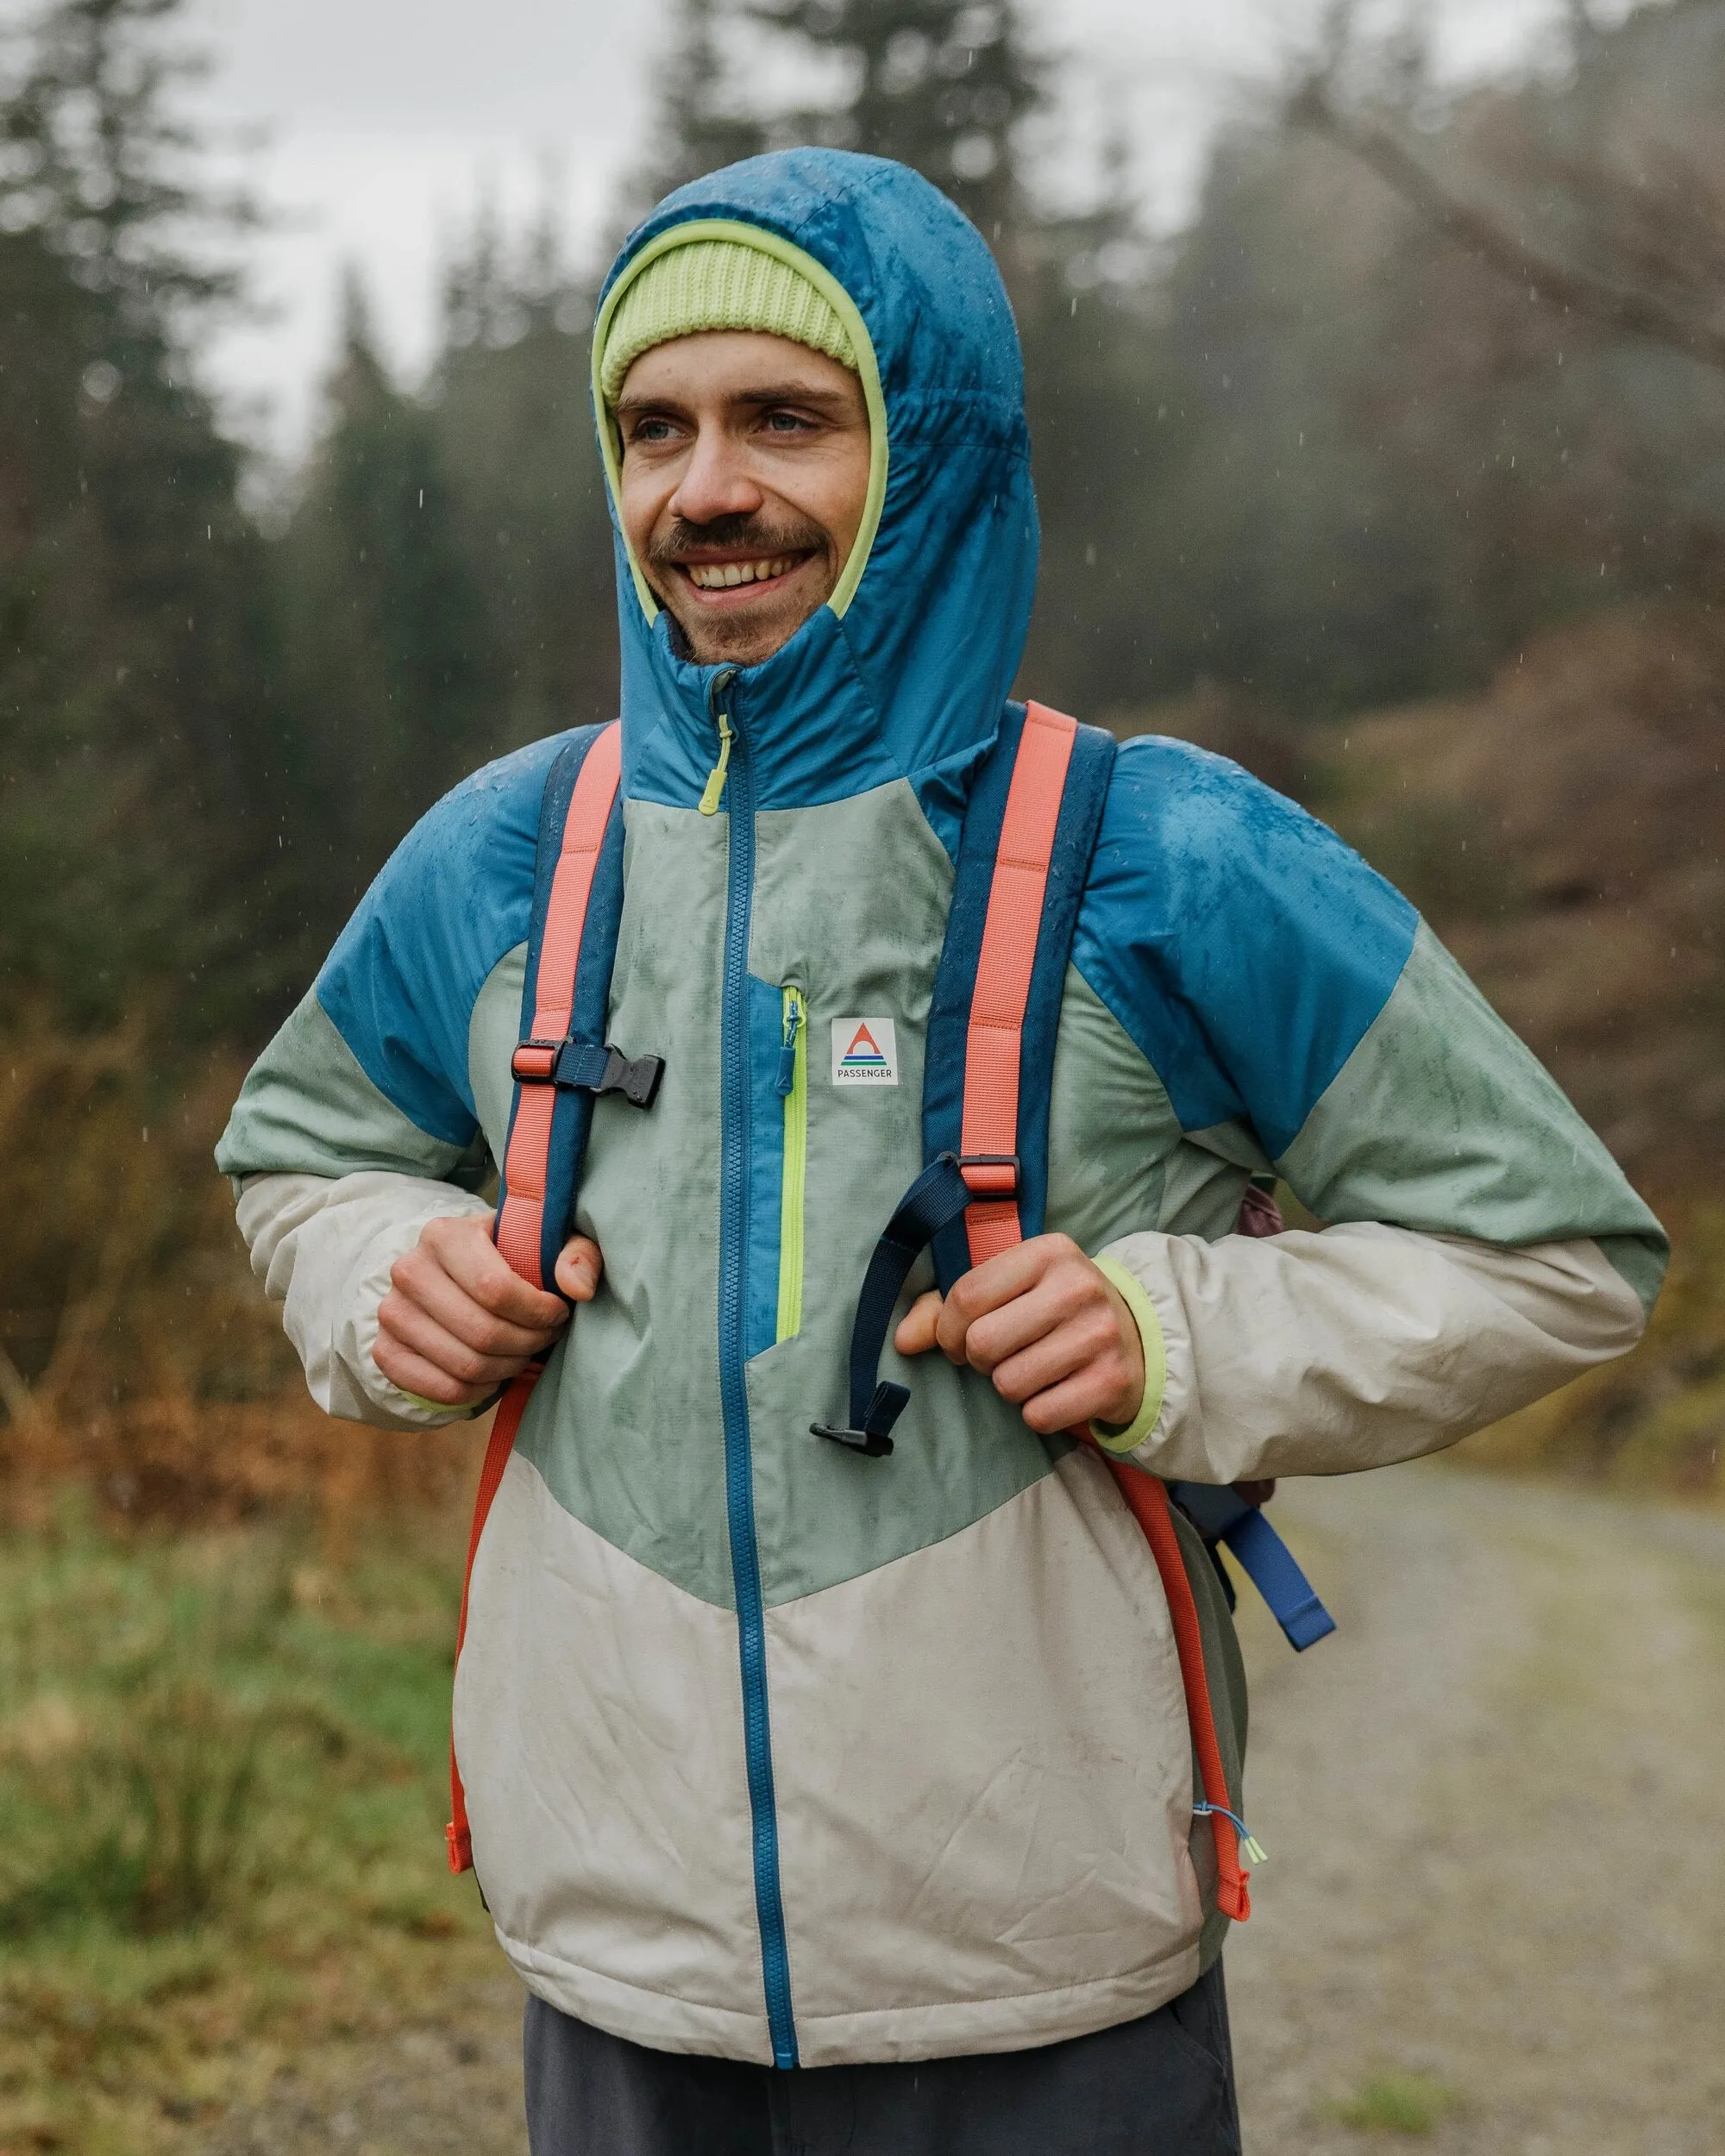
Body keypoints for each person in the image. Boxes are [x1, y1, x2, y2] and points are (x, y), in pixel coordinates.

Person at [216, 149, 1665, 2155]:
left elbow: (1558, 1249)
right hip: (616, 1962)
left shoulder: (1169, 853)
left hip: (1050, 1975)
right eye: (653, 428)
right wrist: (390, 1269)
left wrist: (1179, 1328)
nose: (704, 487)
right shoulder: (501, 853)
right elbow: (302, 1151)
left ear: (936, 457)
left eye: (786, 420)